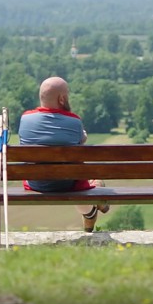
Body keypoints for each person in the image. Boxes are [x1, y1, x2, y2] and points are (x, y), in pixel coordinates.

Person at [18, 76, 109, 232]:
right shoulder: (74, 121)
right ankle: (95, 197)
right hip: (68, 183)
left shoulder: (25, 119)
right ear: (62, 99)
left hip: (36, 184)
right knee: (85, 179)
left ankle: (92, 210)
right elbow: (81, 140)